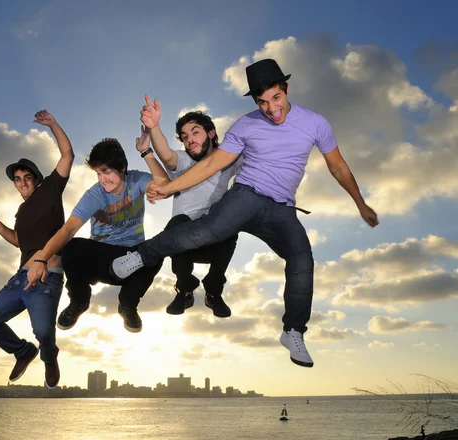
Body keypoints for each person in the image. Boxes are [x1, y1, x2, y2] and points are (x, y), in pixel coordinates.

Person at [111, 59, 379, 368]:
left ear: (286, 89)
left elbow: (337, 165)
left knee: (303, 258)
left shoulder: (315, 123)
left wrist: (360, 203)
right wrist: (170, 188)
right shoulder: (246, 125)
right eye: (262, 102)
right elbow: (211, 164)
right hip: (247, 196)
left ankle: (293, 331)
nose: (271, 108)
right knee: (204, 231)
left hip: (282, 209)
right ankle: (141, 255)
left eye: (276, 98)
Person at [25, 126, 169, 333]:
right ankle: (79, 301)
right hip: (102, 261)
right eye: (98, 173)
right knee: (72, 246)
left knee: (159, 248)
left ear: (122, 168)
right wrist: (41, 259)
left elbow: (165, 188)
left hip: (132, 259)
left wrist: (146, 152)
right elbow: (68, 229)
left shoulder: (137, 180)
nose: (103, 179)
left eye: (107, 172)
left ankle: (128, 304)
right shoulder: (95, 195)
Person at [0, 110, 74, 388]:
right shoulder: (21, 210)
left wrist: (53, 124)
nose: (22, 182)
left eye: (27, 177)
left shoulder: (50, 192)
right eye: (17, 179)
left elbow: (67, 154)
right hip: (20, 278)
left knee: (44, 331)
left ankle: (48, 355)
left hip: (47, 277)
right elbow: (19, 241)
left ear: (37, 179)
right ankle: (23, 351)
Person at [140, 95, 242, 317]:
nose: (190, 140)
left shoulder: (227, 159)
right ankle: (185, 288)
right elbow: (167, 156)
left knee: (230, 221)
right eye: (185, 137)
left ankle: (213, 291)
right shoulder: (185, 161)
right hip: (183, 245)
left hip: (215, 240)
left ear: (211, 133)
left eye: (195, 132)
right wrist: (154, 127)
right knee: (178, 223)